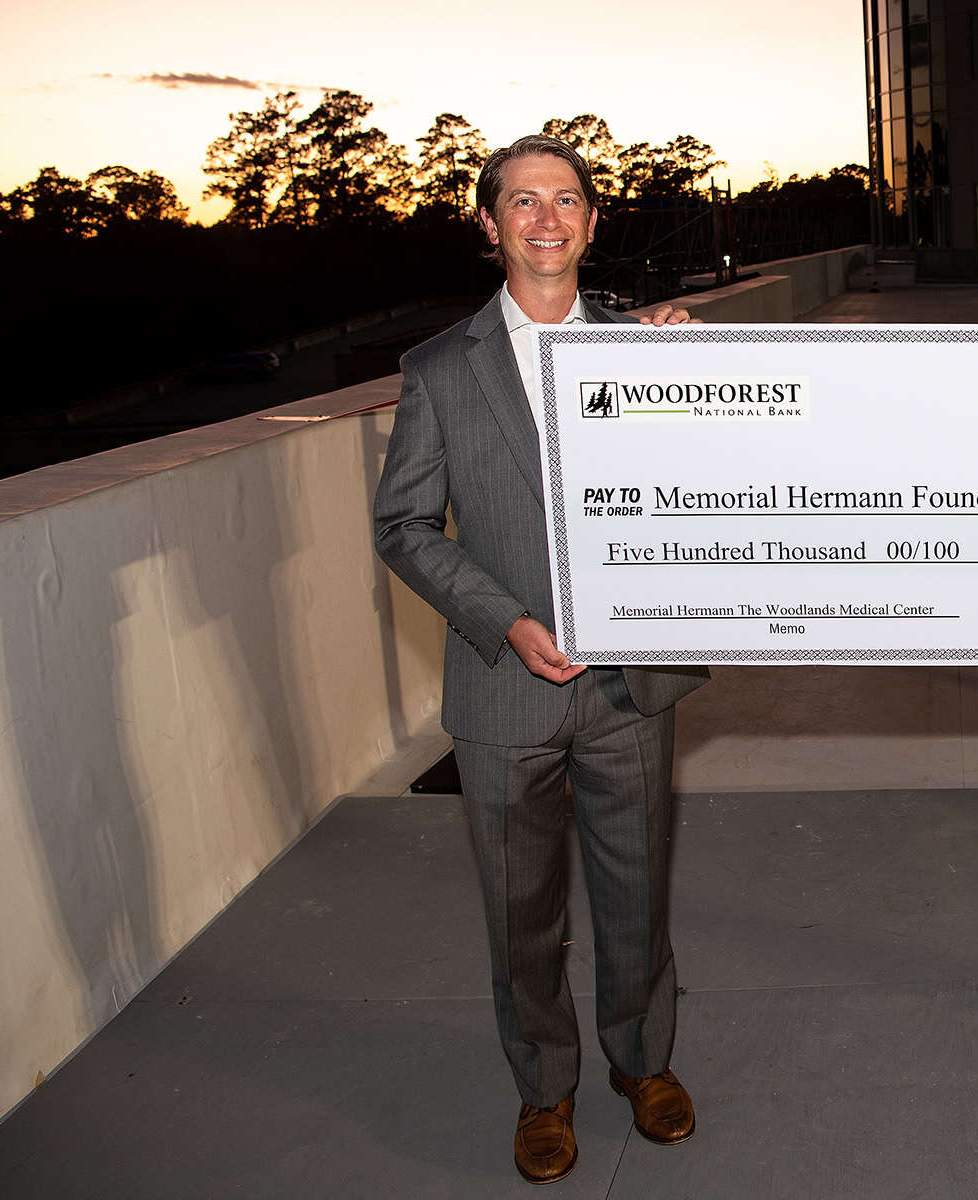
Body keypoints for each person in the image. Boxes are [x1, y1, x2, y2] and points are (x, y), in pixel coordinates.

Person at [374, 134, 709, 1183]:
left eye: (566, 199)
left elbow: (716, 475)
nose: (547, 219)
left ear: (593, 222)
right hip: (504, 685)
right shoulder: (438, 369)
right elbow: (403, 526)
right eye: (523, 202)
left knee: (637, 894)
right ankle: (543, 1088)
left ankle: (642, 1063)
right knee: (521, 913)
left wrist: (700, 369)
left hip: (628, 685)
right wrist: (507, 619)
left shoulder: (646, 349)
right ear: (490, 224)